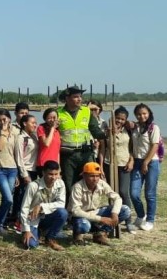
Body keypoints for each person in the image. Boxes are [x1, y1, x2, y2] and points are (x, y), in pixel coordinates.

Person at [68, 162, 133, 246]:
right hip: (81, 216)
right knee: (83, 225)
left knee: (125, 210)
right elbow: (75, 211)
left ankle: (100, 234)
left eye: (97, 176)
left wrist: (114, 213)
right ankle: (77, 235)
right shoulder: (77, 187)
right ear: (84, 175)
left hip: (95, 212)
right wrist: (101, 219)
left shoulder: (101, 183)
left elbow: (117, 198)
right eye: (92, 176)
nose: (95, 179)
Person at [57, 86, 106, 199]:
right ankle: (71, 208)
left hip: (86, 154)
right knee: (69, 184)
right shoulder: (58, 113)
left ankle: (88, 206)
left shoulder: (86, 111)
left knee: (89, 182)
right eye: (76, 97)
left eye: (80, 96)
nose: (79, 99)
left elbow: (95, 130)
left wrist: (106, 134)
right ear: (67, 98)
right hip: (67, 156)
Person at [20, 160, 68, 251]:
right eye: (50, 174)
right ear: (43, 173)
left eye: (56, 174)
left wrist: (41, 206)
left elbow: (61, 203)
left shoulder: (60, 183)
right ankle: (32, 233)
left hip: (48, 217)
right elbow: (24, 208)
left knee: (63, 213)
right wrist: (26, 230)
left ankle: (50, 238)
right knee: (31, 245)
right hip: (33, 219)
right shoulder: (33, 186)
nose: (53, 177)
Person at [130, 103, 161, 231]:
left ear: (149, 114)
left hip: (151, 162)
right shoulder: (134, 127)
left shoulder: (154, 127)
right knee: (134, 193)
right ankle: (141, 215)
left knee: (150, 194)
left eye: (144, 113)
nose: (142, 116)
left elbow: (155, 146)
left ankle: (150, 220)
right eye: (138, 114)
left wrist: (146, 162)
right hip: (137, 162)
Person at [0, 109, 19, 238]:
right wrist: (3, 131)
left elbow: (17, 151)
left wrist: (18, 172)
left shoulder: (16, 131)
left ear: (9, 118)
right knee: (8, 198)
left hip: (12, 168)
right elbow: (0, 147)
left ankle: (0, 225)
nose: (2, 122)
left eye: (4, 119)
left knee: (6, 199)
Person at [99, 106, 134, 211]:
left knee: (123, 191)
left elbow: (133, 148)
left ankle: (127, 216)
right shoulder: (106, 130)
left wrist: (131, 161)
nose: (119, 121)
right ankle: (114, 213)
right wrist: (101, 167)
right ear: (113, 117)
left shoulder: (128, 130)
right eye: (117, 118)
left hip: (124, 164)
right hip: (109, 163)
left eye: (122, 119)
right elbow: (102, 150)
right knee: (112, 192)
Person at [11, 114, 39, 233]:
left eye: (35, 123)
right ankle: (17, 221)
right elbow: (19, 158)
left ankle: (24, 221)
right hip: (25, 170)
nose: (35, 125)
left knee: (30, 197)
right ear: (24, 123)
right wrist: (24, 174)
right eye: (32, 123)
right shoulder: (21, 138)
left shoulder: (33, 136)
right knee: (22, 197)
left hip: (33, 170)